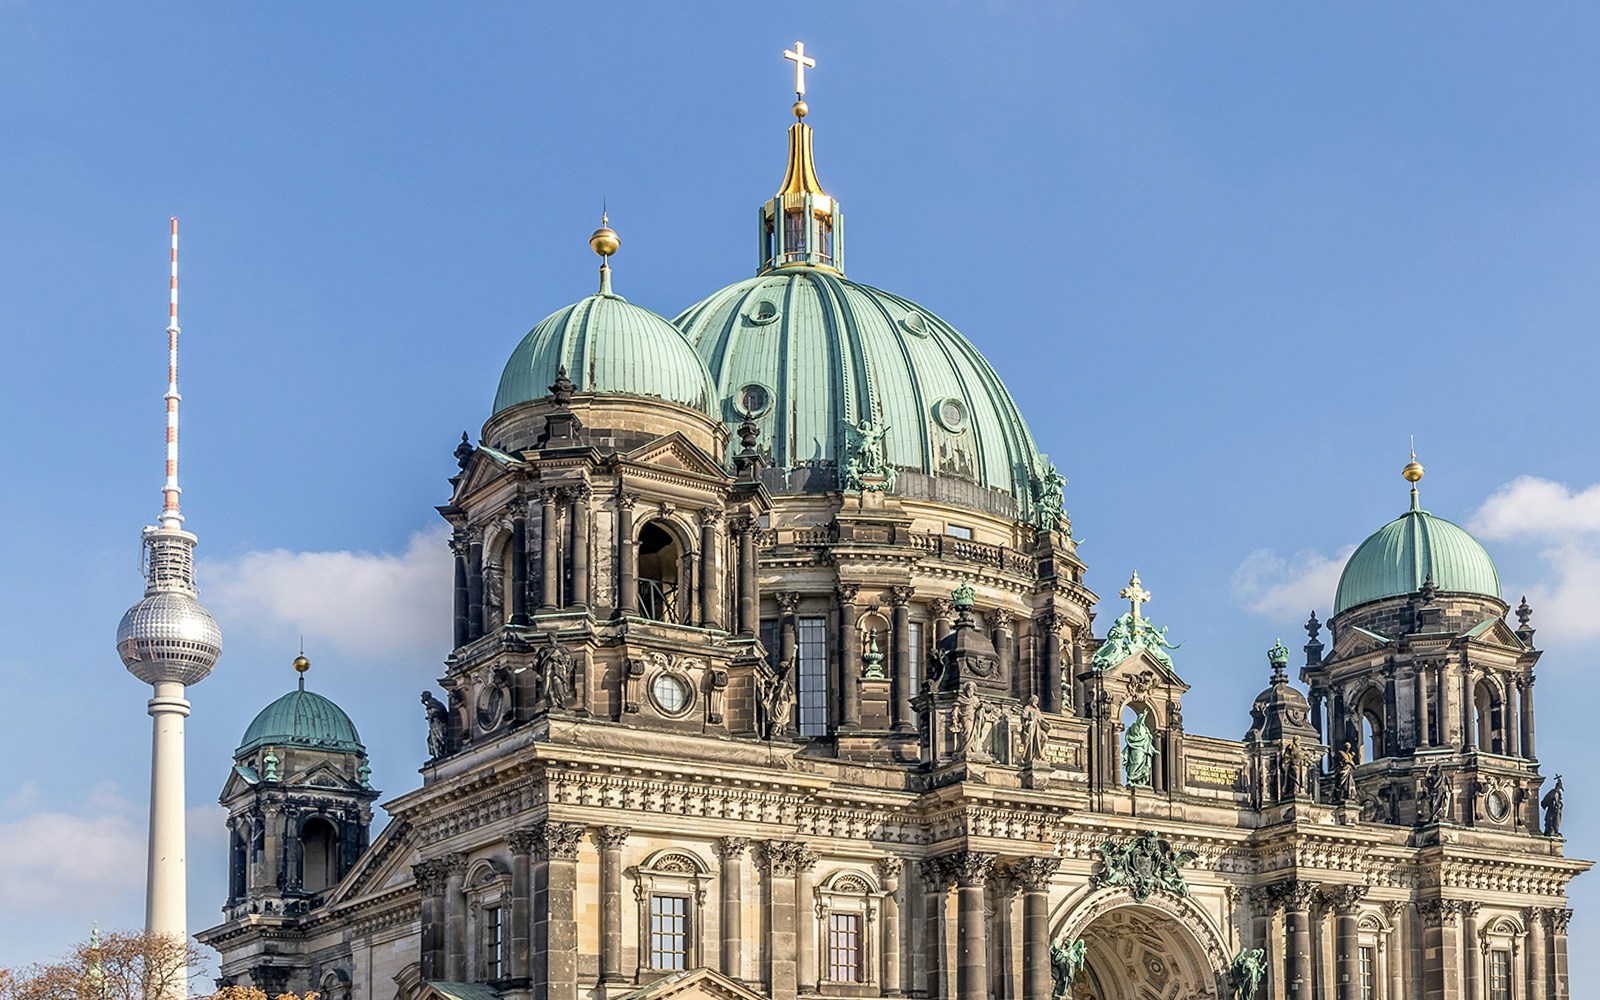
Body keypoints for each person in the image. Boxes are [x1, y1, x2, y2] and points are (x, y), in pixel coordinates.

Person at [1122, 710, 1159, 787]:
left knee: (1145, 766)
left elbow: (1148, 742)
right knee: (1137, 762)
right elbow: (1139, 723)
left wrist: (1154, 750)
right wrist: (1144, 715)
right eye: (1141, 718)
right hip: (1136, 748)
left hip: (1144, 750)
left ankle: (1140, 781)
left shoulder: (1146, 730)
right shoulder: (1135, 726)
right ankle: (1131, 778)